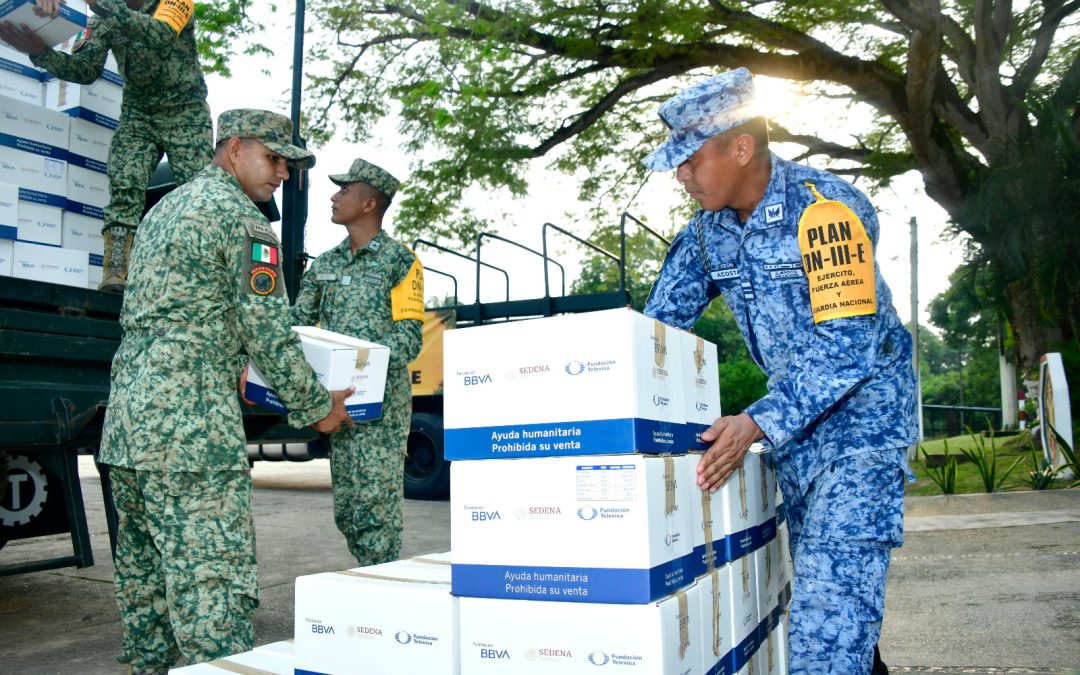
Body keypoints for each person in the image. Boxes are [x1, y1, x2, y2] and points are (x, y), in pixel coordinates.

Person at [641, 68, 917, 675]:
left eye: (690, 158)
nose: (680, 174)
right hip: (796, 440)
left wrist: (753, 423)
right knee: (834, 607)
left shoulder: (826, 212)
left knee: (825, 626)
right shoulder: (710, 234)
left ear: (741, 147)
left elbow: (847, 347)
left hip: (861, 435)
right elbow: (657, 328)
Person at [98, 108, 355, 674]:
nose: (283, 174)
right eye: (274, 159)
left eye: (289, 165)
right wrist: (318, 409)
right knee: (211, 588)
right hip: (191, 435)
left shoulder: (164, 209)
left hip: (127, 427)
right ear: (234, 149)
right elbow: (268, 332)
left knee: (147, 588)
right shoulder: (242, 221)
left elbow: (176, 311)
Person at [0, 0, 213, 292]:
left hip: (186, 113)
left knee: (200, 196)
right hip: (139, 116)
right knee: (124, 185)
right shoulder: (103, 17)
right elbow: (85, 70)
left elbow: (159, 34)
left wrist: (103, 7)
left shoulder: (173, 2)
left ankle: (205, 278)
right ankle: (115, 273)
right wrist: (40, 52)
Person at [292, 158, 424, 566]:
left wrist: (357, 372)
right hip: (336, 403)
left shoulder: (402, 263)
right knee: (348, 509)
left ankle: (383, 589)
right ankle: (372, 580)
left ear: (369, 204)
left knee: (376, 508)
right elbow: (298, 325)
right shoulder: (325, 264)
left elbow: (409, 337)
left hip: (379, 407)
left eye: (344, 191)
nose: (334, 197)